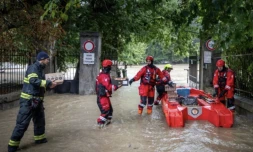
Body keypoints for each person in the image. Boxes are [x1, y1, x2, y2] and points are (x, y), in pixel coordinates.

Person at [8, 51, 57, 152]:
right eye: (47, 59)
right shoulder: (33, 68)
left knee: (40, 121)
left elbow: (40, 85)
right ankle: (12, 146)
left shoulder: (40, 69)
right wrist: (48, 83)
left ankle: (39, 139)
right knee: (22, 124)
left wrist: (49, 85)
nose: (48, 61)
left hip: (37, 100)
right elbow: (33, 81)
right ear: (42, 59)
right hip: (28, 101)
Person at [96, 59, 120, 128]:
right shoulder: (104, 76)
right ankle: (99, 127)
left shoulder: (104, 74)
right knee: (105, 112)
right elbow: (109, 87)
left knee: (110, 111)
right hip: (102, 97)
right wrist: (117, 86)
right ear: (108, 67)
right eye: (110, 66)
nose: (111, 68)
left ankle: (108, 125)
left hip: (104, 96)